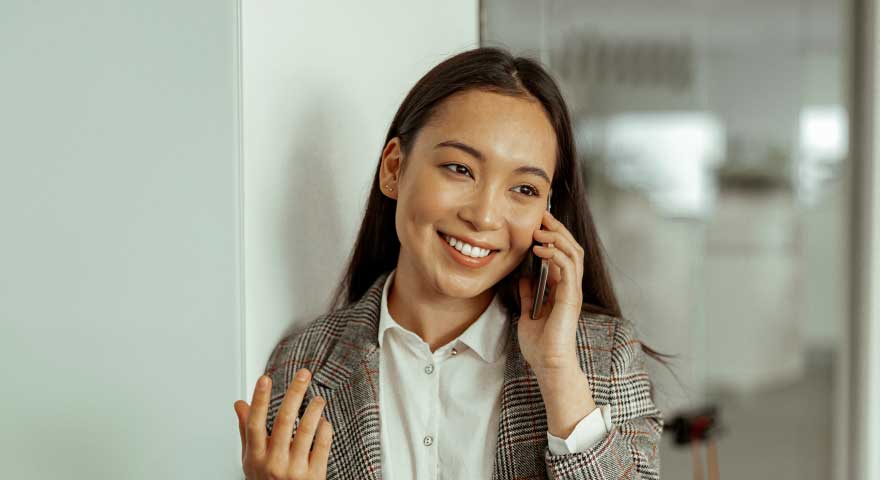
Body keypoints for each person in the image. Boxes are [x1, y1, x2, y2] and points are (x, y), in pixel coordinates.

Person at [233, 46, 669, 480]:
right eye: (460, 169)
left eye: (524, 189)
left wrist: (558, 373)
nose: (484, 216)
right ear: (394, 168)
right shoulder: (303, 363)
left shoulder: (602, 359)